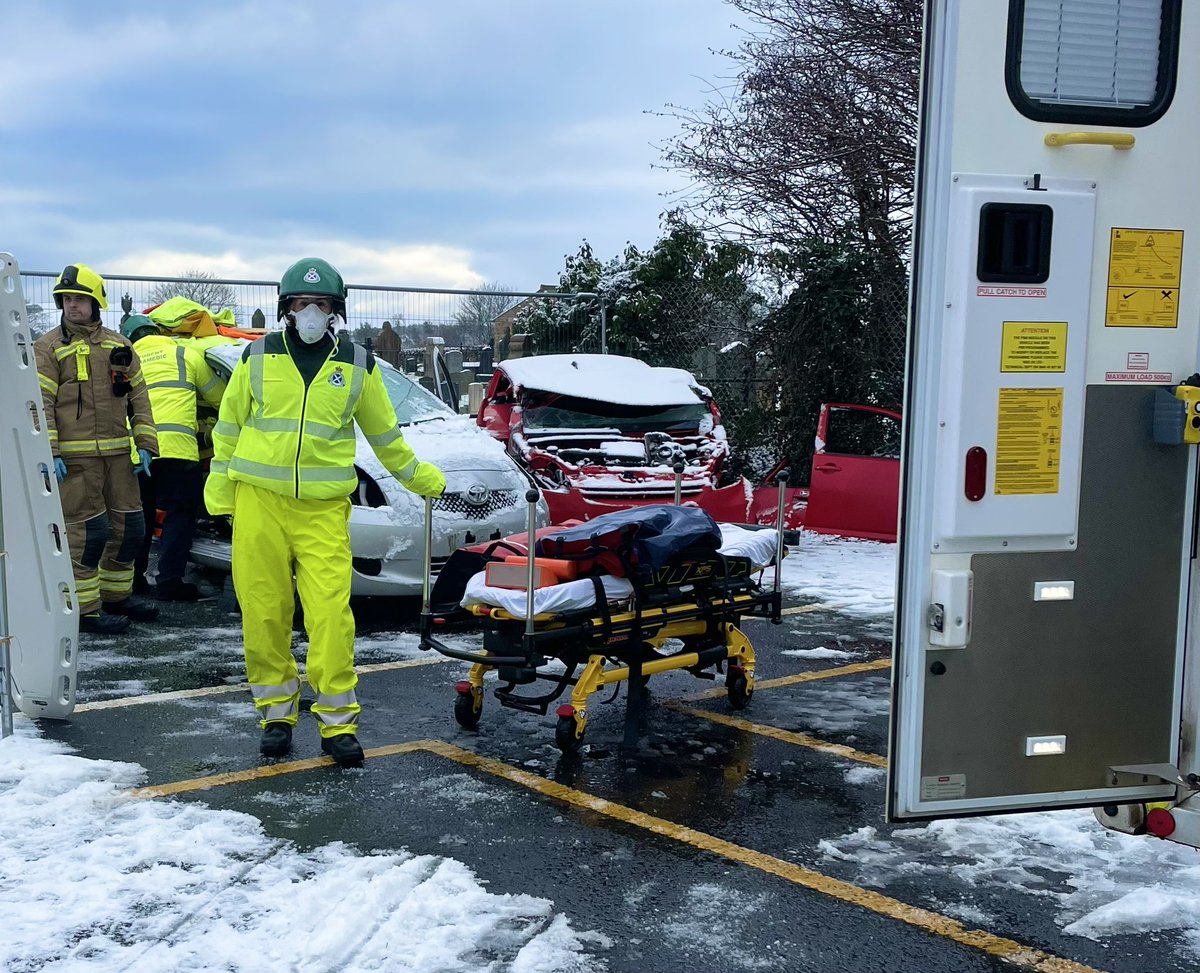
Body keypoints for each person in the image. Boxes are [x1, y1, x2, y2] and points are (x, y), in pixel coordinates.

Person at [204, 257, 446, 767]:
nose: (310, 311)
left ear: (335, 310)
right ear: (286, 308)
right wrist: (220, 486)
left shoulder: (358, 365)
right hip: (258, 504)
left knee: (331, 617)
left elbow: (385, 436)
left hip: (323, 512)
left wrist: (417, 476)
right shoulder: (258, 356)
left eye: (320, 303)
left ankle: (338, 724)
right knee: (264, 613)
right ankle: (276, 716)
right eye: (301, 302)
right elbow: (228, 427)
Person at [33, 264, 159, 634]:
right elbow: (40, 404)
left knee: (130, 529)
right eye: (66, 299)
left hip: (119, 458)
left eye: (79, 299)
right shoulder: (48, 348)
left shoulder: (119, 345)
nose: (72, 305)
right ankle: (85, 609)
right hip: (76, 461)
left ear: (96, 302)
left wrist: (146, 444)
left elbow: (140, 397)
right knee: (87, 535)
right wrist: (51, 451)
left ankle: (116, 597)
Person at [123, 313, 224, 601]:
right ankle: (169, 582)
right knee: (179, 514)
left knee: (140, 517)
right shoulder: (185, 354)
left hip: (139, 453)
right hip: (179, 450)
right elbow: (220, 397)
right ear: (158, 332)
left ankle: (133, 581)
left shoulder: (125, 362)